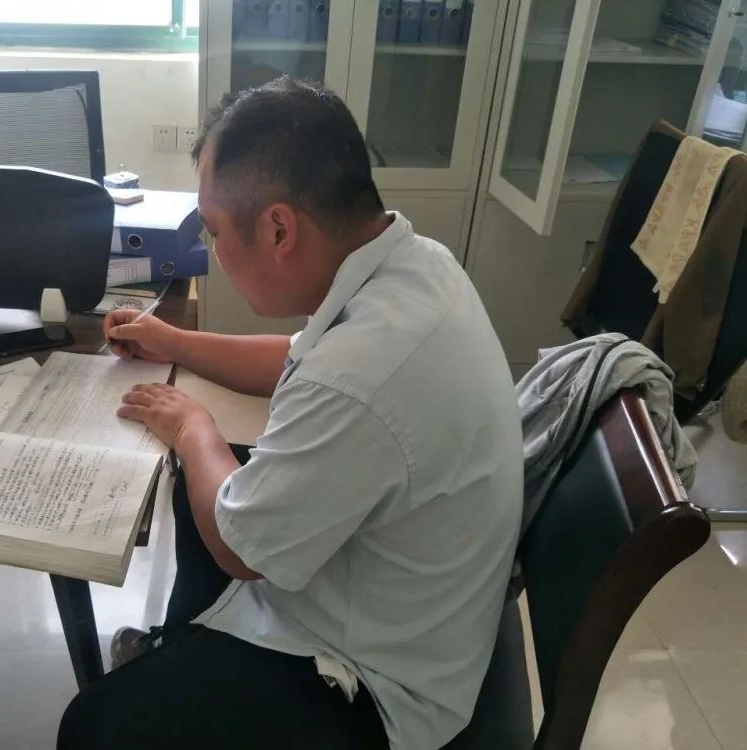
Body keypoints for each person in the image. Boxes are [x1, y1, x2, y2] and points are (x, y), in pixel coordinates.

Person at [58, 77, 523, 750]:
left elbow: (240, 548)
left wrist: (192, 428)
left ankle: (182, 665)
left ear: (279, 228)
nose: (215, 250)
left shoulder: (361, 373)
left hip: (374, 684)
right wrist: (175, 342)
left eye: (216, 230)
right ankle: (181, 649)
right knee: (202, 487)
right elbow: (297, 358)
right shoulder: (418, 266)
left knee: (91, 727)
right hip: (406, 598)